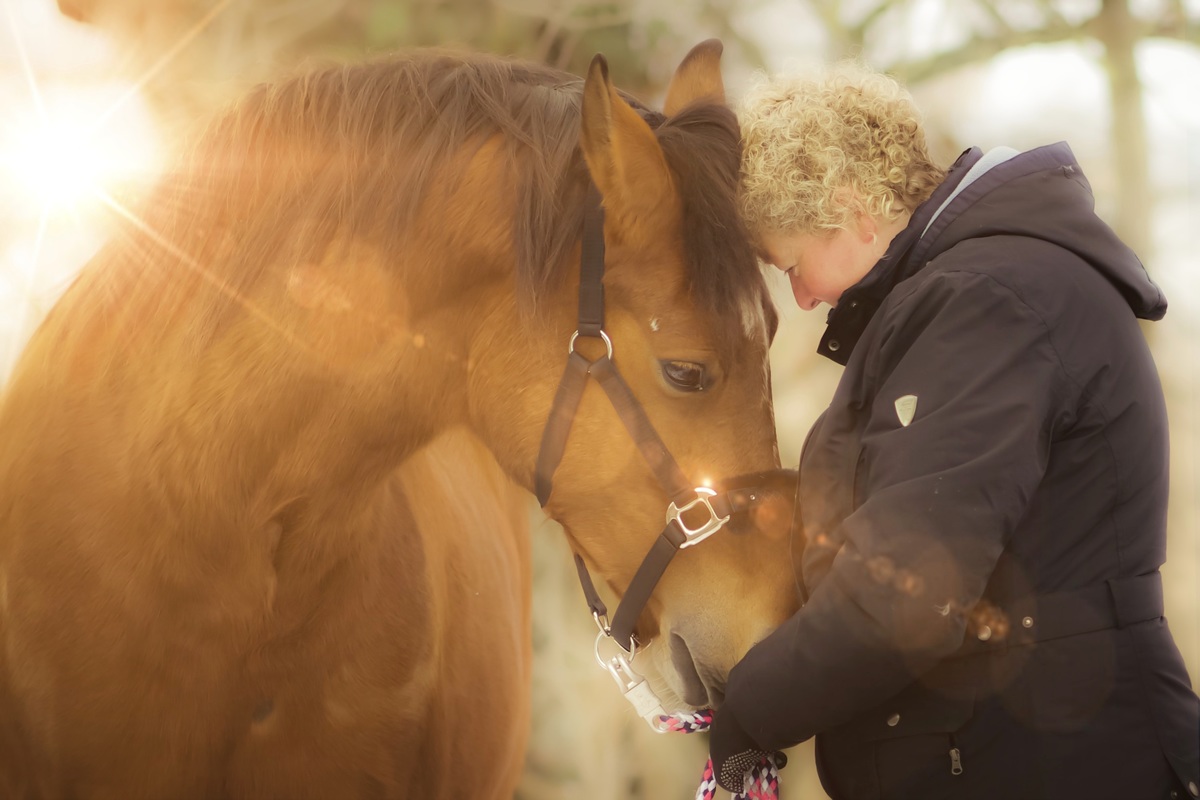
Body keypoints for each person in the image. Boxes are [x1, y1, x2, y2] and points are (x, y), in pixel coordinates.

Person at [709, 62, 1200, 800]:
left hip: (1044, 761)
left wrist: (750, 711)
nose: (804, 297)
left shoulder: (987, 303)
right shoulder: (976, 295)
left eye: (794, 264)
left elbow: (907, 590)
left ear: (853, 209)